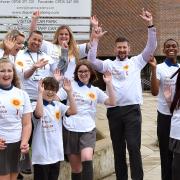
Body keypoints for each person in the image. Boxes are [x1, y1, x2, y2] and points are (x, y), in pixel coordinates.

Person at [87, 9, 157, 180]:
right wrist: (95, 39)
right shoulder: (109, 64)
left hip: (132, 111)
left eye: (124, 47)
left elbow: (151, 47)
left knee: (134, 147)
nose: (122, 50)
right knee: (118, 149)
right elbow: (91, 61)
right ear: (115, 49)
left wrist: (150, 24)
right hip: (114, 111)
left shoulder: (136, 62)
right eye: (119, 48)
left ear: (129, 48)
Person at [56, 61, 115, 180]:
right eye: (80, 71)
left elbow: (112, 102)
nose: (83, 74)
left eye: (86, 71)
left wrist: (109, 84)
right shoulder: (69, 86)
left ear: (90, 73)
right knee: (76, 168)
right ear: (76, 73)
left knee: (87, 157)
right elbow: (55, 99)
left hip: (88, 129)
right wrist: (58, 83)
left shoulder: (95, 90)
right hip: (70, 128)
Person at [30, 10, 98, 80]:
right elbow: (34, 36)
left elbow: (91, 45)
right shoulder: (49, 46)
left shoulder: (75, 49)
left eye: (66, 34)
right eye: (61, 34)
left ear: (70, 36)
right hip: (54, 85)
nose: (64, 36)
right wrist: (34, 20)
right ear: (57, 36)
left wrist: (95, 27)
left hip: (70, 85)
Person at [31, 76, 76, 180]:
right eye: (47, 89)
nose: (50, 92)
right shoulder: (35, 104)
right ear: (42, 89)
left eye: (53, 89)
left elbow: (73, 111)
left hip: (56, 153)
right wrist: (39, 93)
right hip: (41, 156)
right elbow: (39, 113)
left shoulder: (58, 105)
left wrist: (69, 92)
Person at [149, 39, 180, 180]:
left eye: (174, 46)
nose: (171, 48)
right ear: (164, 49)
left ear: (178, 49)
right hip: (165, 116)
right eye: (168, 46)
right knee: (165, 154)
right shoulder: (159, 67)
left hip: (178, 118)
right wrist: (154, 69)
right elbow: (154, 92)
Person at [0, 58, 32, 180]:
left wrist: (24, 142)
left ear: (14, 73)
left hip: (18, 145)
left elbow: (27, 123)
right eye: (2, 71)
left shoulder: (22, 94)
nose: (6, 74)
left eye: (9, 70)